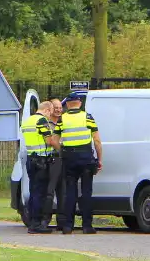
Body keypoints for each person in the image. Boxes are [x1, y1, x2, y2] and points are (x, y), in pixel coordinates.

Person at [55, 92, 102, 234]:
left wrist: (63, 151)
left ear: (68, 104)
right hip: (86, 158)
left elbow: (55, 141)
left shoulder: (62, 119)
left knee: (70, 192)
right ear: (80, 103)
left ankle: (68, 226)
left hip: (69, 158)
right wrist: (99, 159)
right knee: (87, 192)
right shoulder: (88, 117)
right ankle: (87, 225)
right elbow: (97, 141)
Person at [20, 102, 60, 234]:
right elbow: (49, 141)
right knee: (40, 193)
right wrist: (62, 149)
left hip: (31, 159)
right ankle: (36, 224)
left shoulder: (27, 120)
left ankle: (32, 221)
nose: (51, 116)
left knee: (33, 191)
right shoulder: (41, 120)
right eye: (52, 111)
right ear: (47, 110)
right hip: (41, 161)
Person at [46, 99, 65, 229]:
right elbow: (51, 141)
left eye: (60, 107)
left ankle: (62, 222)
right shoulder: (46, 124)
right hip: (52, 159)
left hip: (63, 159)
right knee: (49, 191)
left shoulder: (65, 122)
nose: (58, 110)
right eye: (56, 107)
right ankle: (45, 220)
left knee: (63, 192)